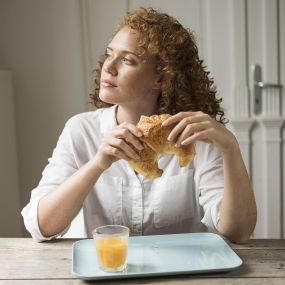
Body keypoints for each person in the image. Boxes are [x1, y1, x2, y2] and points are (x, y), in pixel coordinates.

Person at [22, 7, 257, 243]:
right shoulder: (81, 130)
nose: (109, 67)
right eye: (109, 54)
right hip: (104, 273)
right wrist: (98, 164)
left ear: (161, 78)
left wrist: (231, 149)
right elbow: (41, 226)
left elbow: (238, 232)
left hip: (181, 275)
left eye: (127, 60)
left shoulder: (197, 137)